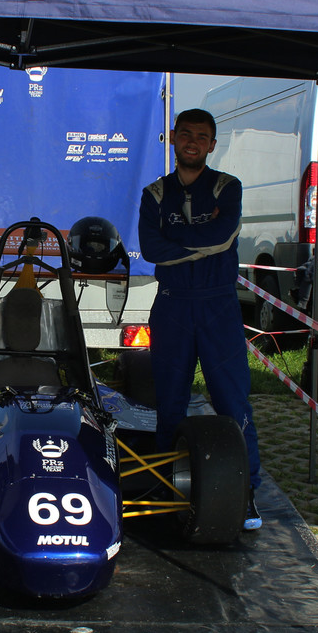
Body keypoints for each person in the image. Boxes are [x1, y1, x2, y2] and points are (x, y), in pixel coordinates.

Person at [137, 108, 263, 530]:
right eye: (186, 134)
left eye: (201, 136)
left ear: (212, 144)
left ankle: (246, 494)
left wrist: (177, 240)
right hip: (172, 305)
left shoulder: (227, 187)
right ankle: (166, 485)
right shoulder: (155, 193)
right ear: (173, 138)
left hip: (217, 306)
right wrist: (200, 242)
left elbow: (222, 237)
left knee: (232, 402)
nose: (192, 142)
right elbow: (151, 250)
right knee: (169, 403)